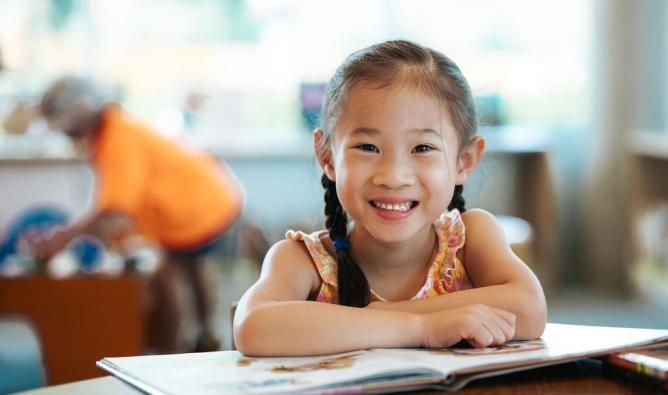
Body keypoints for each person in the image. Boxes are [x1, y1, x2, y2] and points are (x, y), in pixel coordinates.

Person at [233, 40, 547, 356]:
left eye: (422, 148)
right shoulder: (303, 260)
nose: (394, 177)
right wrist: (421, 328)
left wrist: (371, 320)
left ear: (463, 161)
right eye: (368, 147)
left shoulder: (471, 237)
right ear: (327, 157)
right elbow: (253, 327)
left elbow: (529, 308)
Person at [32, 76, 244, 352]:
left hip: (202, 205)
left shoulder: (117, 138)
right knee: (186, 271)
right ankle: (199, 340)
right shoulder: (113, 129)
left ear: (78, 118)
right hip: (206, 196)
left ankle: (177, 349)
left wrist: (64, 237)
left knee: (169, 274)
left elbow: (114, 208)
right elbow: (115, 203)